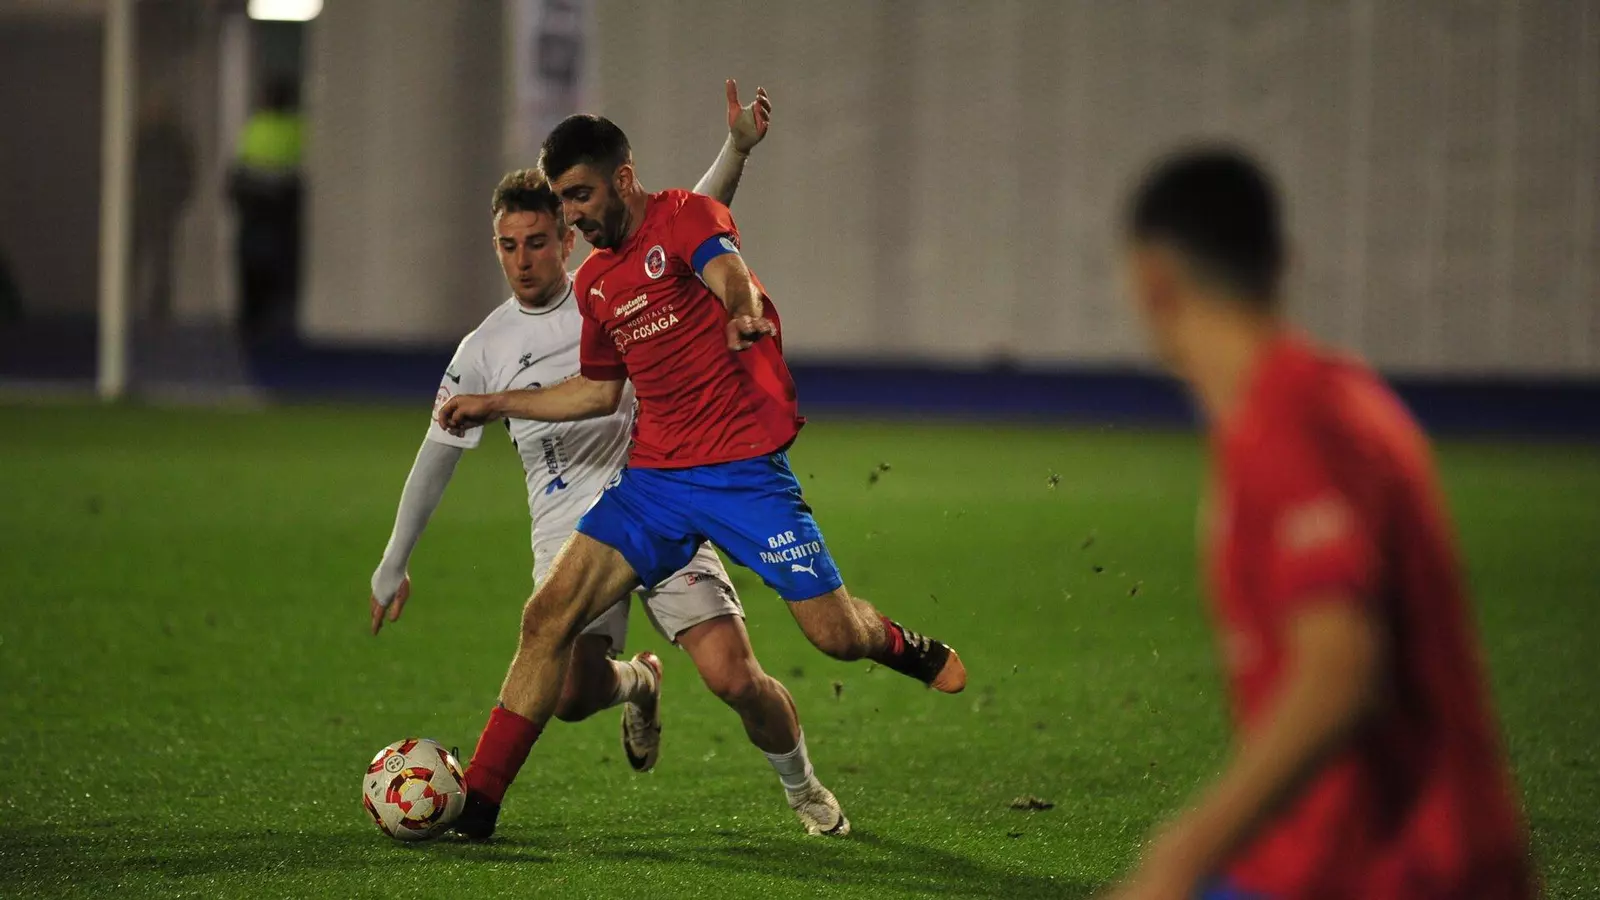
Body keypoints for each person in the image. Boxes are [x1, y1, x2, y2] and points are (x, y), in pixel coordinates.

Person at [437, 109, 968, 839]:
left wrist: (741, 312)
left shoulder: (686, 217)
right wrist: (494, 402)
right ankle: (479, 806)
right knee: (545, 618)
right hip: (654, 484)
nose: (573, 216)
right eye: (564, 201)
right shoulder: (597, 284)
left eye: (581, 196)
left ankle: (894, 656)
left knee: (832, 639)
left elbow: (729, 272)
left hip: (744, 475)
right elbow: (598, 392)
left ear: (623, 179)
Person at [371, 83, 851, 838]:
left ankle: (803, 785)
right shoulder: (483, 349)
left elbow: (689, 219)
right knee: (568, 696)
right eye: (508, 245)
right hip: (568, 529)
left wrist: (736, 148)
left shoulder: (612, 284)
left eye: (539, 240)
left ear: (567, 236)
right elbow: (438, 453)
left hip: (659, 500)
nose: (524, 259)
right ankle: (639, 683)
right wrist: (395, 559)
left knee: (732, 677)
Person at [1100, 147, 1534, 900]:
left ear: (1152, 281)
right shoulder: (1320, 400)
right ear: (1282, 264)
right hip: (1341, 859)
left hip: (1398, 872)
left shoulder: (1293, 424)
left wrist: (1181, 855)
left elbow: (1341, 673)